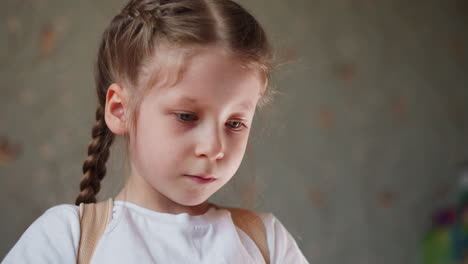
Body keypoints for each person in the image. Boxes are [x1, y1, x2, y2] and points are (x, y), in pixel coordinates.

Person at [2, 0, 309, 263]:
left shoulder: (267, 243)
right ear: (121, 110)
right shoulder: (64, 237)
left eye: (235, 123)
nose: (214, 147)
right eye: (187, 116)